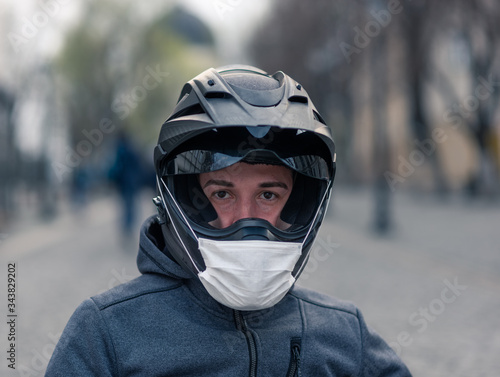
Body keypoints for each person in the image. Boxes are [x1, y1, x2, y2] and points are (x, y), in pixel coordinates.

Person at [45, 65, 412, 376]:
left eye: (268, 195)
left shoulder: (346, 336)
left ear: (299, 203)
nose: (247, 219)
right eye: (222, 193)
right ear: (185, 200)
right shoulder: (106, 334)